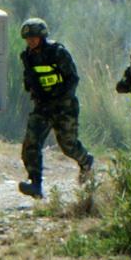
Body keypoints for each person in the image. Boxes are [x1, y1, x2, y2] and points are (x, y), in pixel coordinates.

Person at [18, 18, 95, 198]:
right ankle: (35, 184)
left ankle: (86, 161)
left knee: (68, 146)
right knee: (31, 143)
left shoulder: (57, 52)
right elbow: (30, 81)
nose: (30, 41)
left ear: (42, 37)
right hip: (42, 107)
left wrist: (58, 98)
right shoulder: (28, 56)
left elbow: (72, 79)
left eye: (33, 37)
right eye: (28, 38)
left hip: (64, 107)